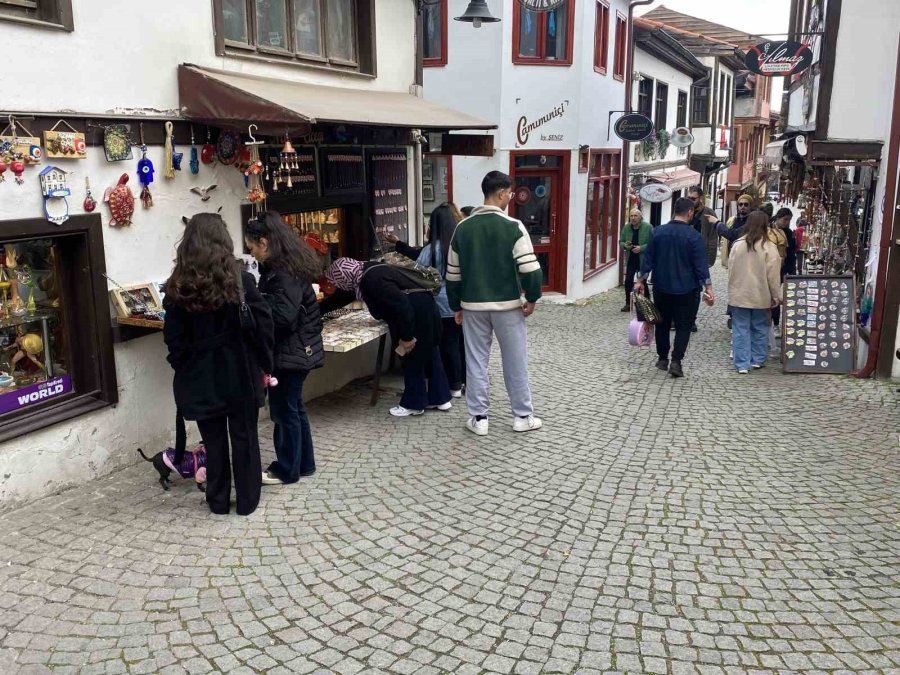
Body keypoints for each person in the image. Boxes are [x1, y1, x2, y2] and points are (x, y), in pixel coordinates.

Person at [163, 213, 274, 516]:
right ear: (223, 242)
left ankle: (218, 500)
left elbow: (173, 339)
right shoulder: (240, 281)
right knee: (245, 438)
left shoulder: (177, 287)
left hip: (200, 374)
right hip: (239, 371)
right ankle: (248, 500)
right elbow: (263, 326)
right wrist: (266, 364)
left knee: (213, 441)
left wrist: (183, 366)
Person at [446, 170, 543, 436]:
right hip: (508, 305)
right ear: (501, 193)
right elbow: (530, 270)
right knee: (515, 360)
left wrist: (456, 306)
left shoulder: (462, 229)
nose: (510, 198)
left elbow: (452, 275)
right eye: (510, 194)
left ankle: (479, 418)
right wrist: (532, 298)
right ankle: (522, 416)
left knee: (476, 360)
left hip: (472, 306)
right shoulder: (514, 227)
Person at [244, 212, 324, 486]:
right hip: (298, 349)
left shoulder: (283, 273)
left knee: (284, 411)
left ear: (264, 243)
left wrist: (256, 308)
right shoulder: (285, 267)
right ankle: (305, 463)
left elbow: (283, 317)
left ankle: (287, 469)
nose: (252, 254)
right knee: (294, 407)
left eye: (252, 248)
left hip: (290, 352)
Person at [326, 257, 452, 417]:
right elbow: (341, 298)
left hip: (415, 314)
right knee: (430, 354)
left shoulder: (370, 280)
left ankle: (413, 404)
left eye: (337, 281)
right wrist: (317, 310)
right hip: (426, 308)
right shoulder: (368, 268)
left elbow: (401, 305)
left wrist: (406, 337)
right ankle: (440, 399)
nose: (339, 285)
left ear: (344, 276)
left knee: (412, 358)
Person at [386, 203, 466, 397]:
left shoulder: (431, 250)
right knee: (459, 344)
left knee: (444, 345)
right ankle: (462, 381)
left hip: (439, 305)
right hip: (462, 303)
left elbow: (418, 275)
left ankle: (452, 384)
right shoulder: (462, 246)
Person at [634, 197, 715, 378]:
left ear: (674, 211)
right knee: (683, 327)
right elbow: (700, 265)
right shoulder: (693, 236)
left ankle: (662, 358)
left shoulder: (658, 232)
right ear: (689, 213)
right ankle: (676, 362)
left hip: (662, 287)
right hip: (687, 289)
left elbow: (648, 259)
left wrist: (640, 280)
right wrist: (708, 287)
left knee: (662, 323)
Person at [726, 211, 783, 373]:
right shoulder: (769, 247)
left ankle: (742, 363)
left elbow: (731, 270)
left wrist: (732, 291)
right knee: (760, 327)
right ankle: (757, 358)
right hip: (761, 293)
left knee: (740, 328)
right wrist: (776, 295)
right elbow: (773, 275)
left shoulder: (737, 244)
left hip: (740, 293)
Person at [619, 209, 653, 312]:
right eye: (631, 216)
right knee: (628, 280)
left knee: (642, 281)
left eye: (635, 216)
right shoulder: (626, 228)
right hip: (631, 258)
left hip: (643, 259)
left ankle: (647, 302)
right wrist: (625, 245)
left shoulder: (648, 227)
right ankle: (628, 303)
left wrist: (641, 248)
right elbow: (621, 242)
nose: (633, 218)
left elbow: (653, 243)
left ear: (640, 217)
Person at [770, 207, 795, 335]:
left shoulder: (789, 233)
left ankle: (776, 324)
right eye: (785, 219)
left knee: (777, 297)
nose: (787, 223)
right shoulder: (769, 229)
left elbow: (791, 253)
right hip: (769, 267)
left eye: (789, 220)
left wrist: (792, 271)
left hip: (782, 268)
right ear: (778, 218)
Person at [687, 185, 720, 268]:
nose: (690, 201)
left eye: (693, 199)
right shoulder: (683, 211)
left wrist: (710, 261)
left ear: (700, 198)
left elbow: (713, 238)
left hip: (700, 256)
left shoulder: (709, 213)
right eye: (689, 198)